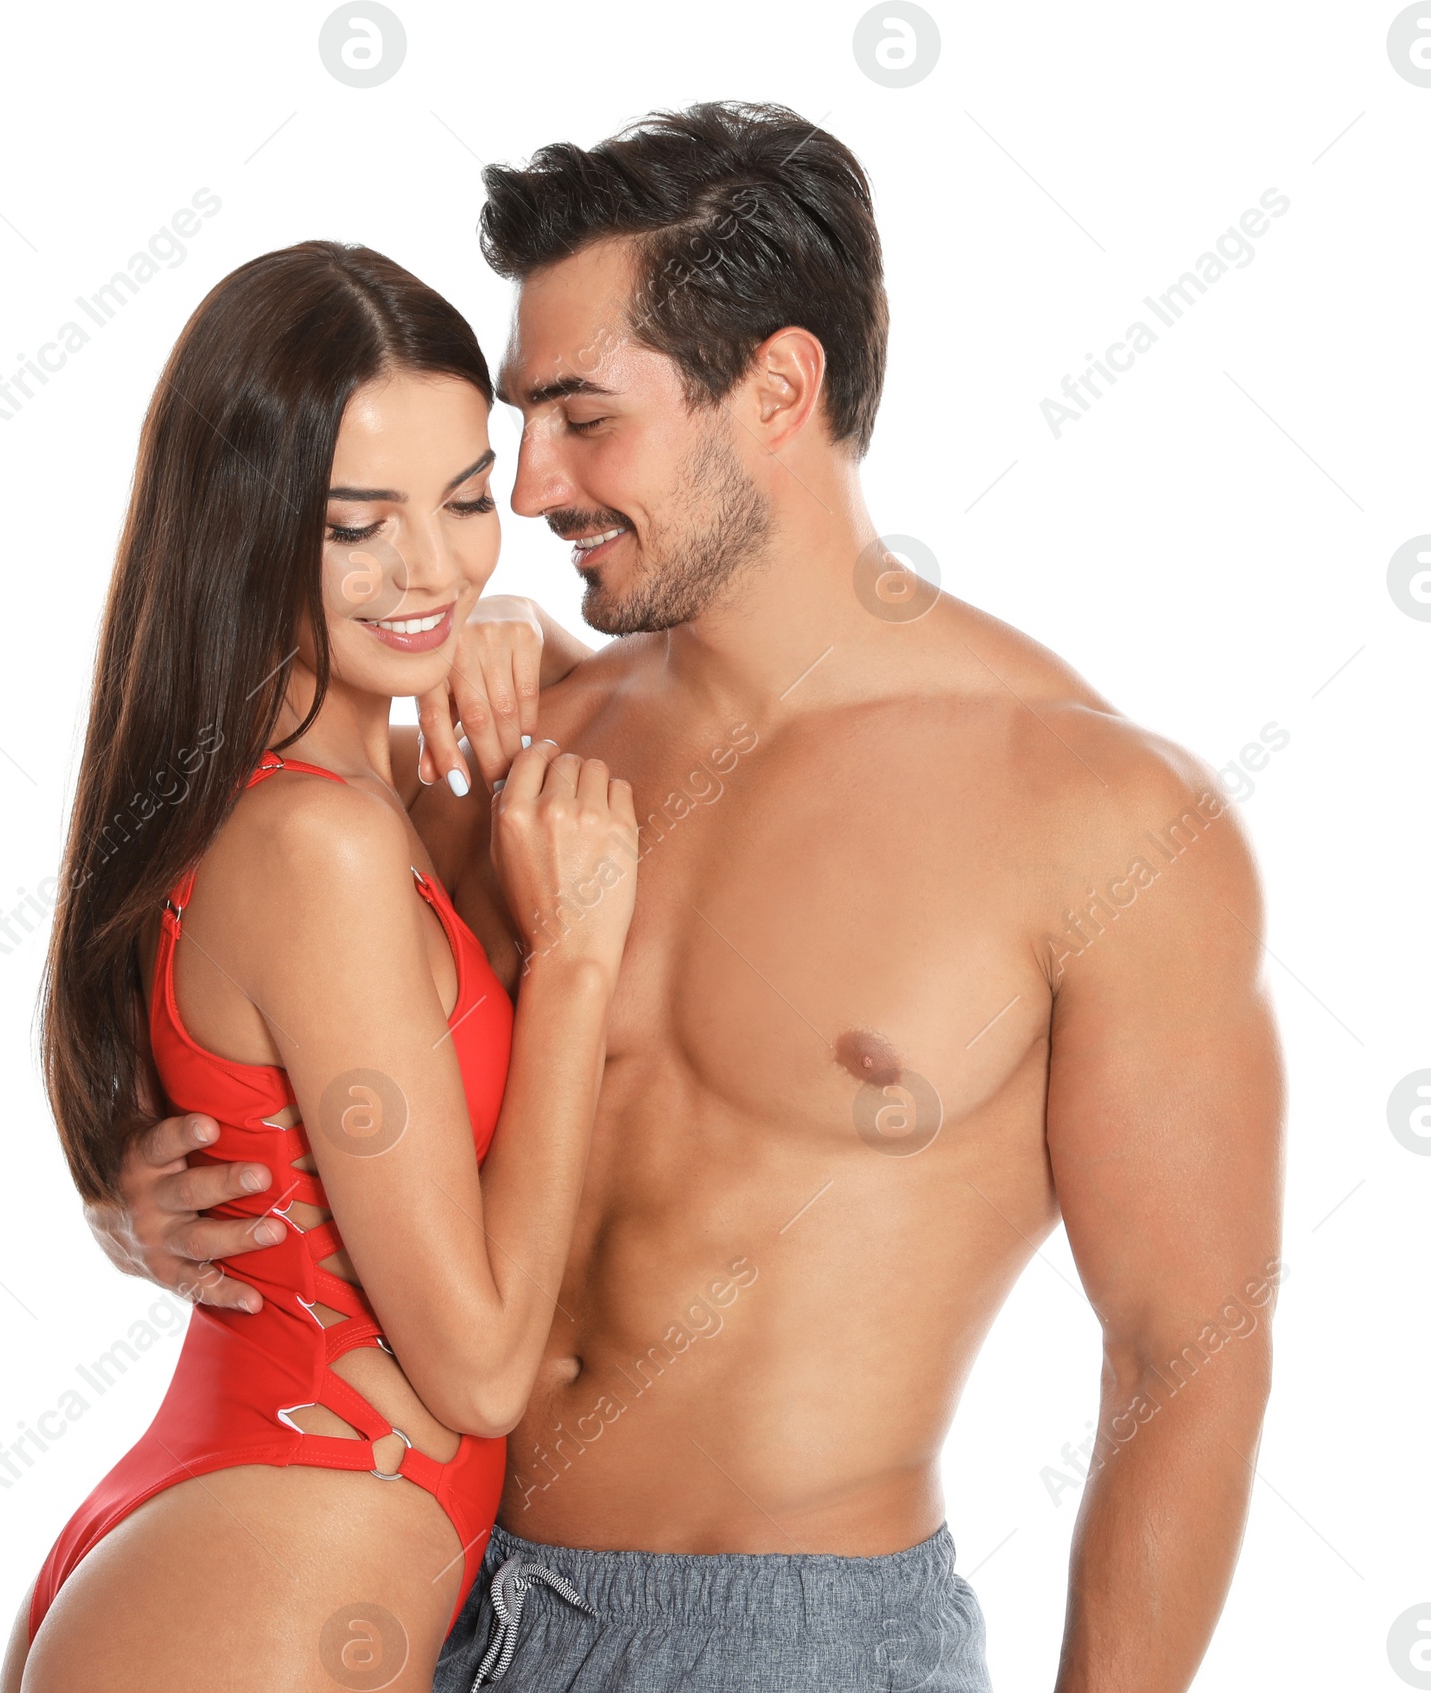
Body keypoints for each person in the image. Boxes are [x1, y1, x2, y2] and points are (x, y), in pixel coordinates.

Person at [92, 105, 1285, 1693]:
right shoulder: (517, 741)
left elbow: (1185, 1358)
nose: (526, 486)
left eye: (582, 417)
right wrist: (138, 1192)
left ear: (777, 390)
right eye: (521, 423)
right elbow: (287, 1032)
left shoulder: (1099, 814)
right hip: (433, 1596)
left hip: (784, 1644)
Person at [2, 241, 638, 1693]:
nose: (434, 566)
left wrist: (510, 635)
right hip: (257, 1585)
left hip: (240, 1549)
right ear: (249, 526)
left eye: (467, 500)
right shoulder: (317, 851)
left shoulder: (341, 802)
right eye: (361, 525)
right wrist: (577, 964)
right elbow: (473, 1370)